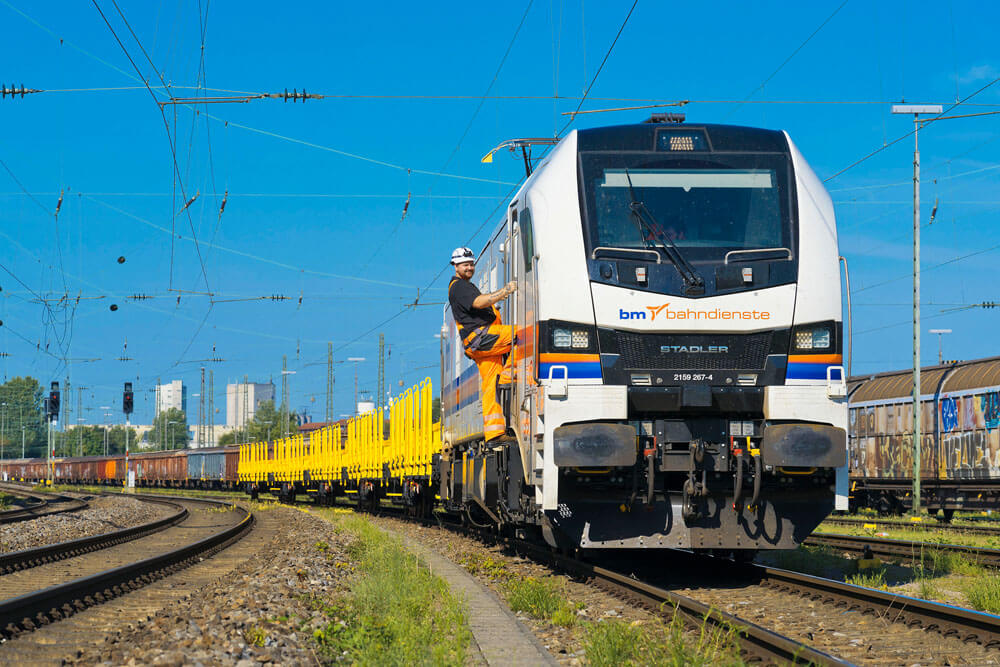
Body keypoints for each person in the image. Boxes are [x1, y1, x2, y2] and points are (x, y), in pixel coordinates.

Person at [448, 246, 517, 444]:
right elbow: (478, 302)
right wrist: (504, 291)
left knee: (491, 385)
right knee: (523, 334)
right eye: (464, 265)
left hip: (479, 343)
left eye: (471, 264)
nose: (469, 268)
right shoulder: (459, 286)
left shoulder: (462, 286)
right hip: (482, 338)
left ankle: (495, 434)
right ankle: (510, 374)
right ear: (455, 266)